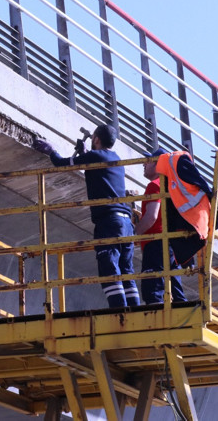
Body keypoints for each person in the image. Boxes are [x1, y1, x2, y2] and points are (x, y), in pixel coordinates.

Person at [33, 125, 140, 308]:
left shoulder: (95, 156)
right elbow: (99, 173)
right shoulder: (116, 159)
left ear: (96, 139)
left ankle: (119, 310)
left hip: (109, 220)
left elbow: (62, 163)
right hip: (125, 222)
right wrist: (84, 154)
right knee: (125, 269)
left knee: (108, 264)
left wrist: (51, 151)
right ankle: (135, 309)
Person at [139, 148, 218, 304]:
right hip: (173, 244)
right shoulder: (172, 186)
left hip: (156, 243)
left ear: (157, 164)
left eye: (148, 161)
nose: (144, 163)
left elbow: (151, 217)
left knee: (153, 291)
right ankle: (184, 314)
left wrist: (133, 234)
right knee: (175, 290)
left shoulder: (155, 186)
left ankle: (158, 320)